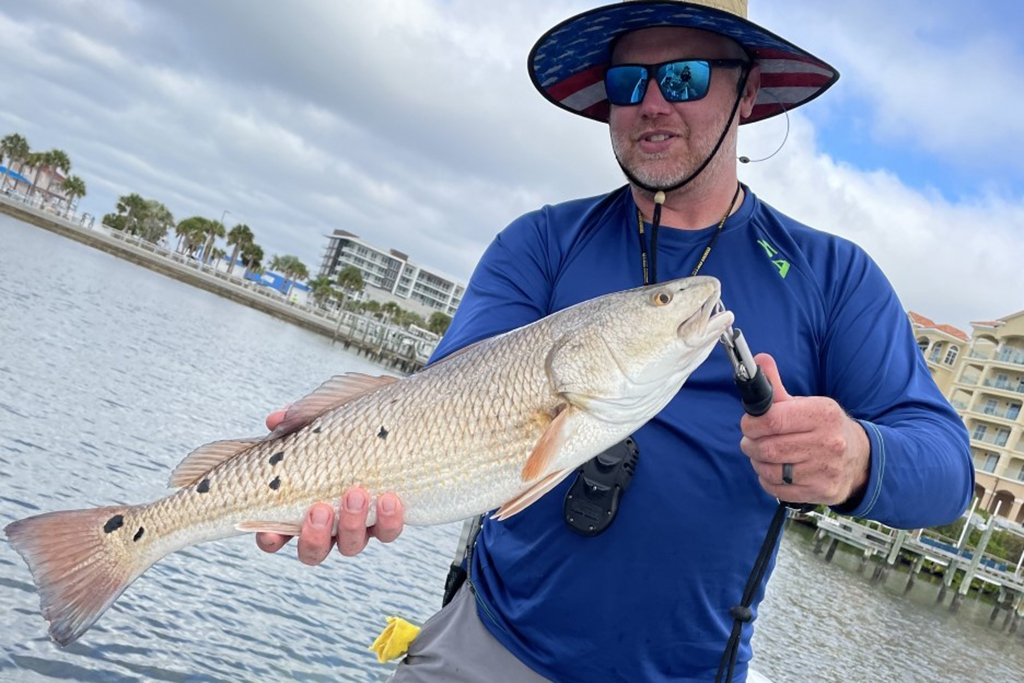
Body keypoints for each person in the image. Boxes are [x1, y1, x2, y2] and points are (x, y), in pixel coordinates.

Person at [257, 2, 975, 680]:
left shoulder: (832, 278)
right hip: (490, 643)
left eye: (685, 77)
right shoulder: (540, 243)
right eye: (628, 81)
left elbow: (948, 471)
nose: (652, 102)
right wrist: (333, 455)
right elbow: (445, 398)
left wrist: (856, 456)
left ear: (747, 93)